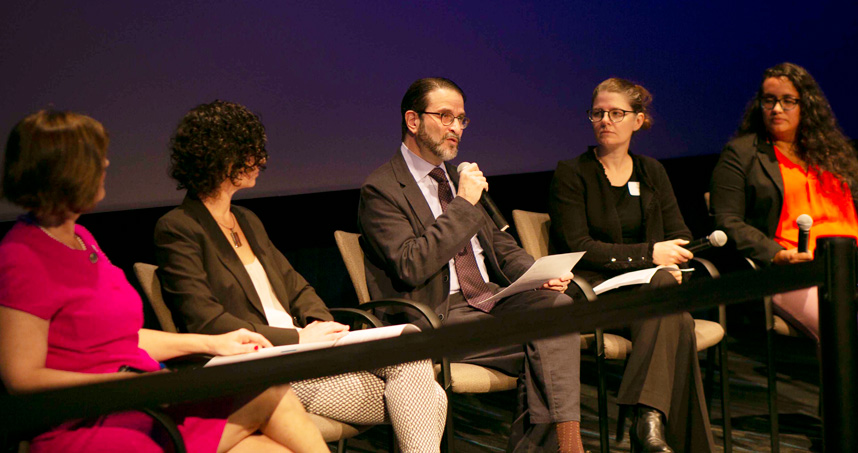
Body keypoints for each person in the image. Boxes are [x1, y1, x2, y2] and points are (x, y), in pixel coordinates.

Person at [0, 110, 329, 453]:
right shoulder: (23, 254)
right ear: (65, 171)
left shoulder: (82, 238)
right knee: (269, 392)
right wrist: (121, 384)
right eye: (97, 157)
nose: (107, 164)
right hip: (92, 419)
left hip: (146, 403)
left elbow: (125, 338)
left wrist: (212, 344)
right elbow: (21, 378)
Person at [154, 100, 447, 453]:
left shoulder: (246, 219)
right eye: (250, 152)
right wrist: (297, 337)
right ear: (221, 157)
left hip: (306, 352)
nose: (260, 161)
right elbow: (206, 321)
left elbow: (297, 286)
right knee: (431, 395)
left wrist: (323, 328)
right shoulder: (178, 228)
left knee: (409, 348)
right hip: (259, 368)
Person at [358, 77, 584, 453]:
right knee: (548, 352)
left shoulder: (456, 183)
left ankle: (566, 445)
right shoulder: (381, 189)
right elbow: (411, 265)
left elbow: (501, 246)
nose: (456, 129)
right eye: (445, 117)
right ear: (413, 121)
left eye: (461, 119)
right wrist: (463, 205)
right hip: (438, 315)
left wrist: (536, 276)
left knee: (557, 309)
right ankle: (569, 446)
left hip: (490, 301)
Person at [547, 78, 715, 453]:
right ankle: (651, 426)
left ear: (637, 120)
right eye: (598, 113)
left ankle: (648, 422)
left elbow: (679, 234)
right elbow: (579, 246)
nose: (605, 120)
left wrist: (673, 261)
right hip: (595, 293)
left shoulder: (652, 171)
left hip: (650, 296)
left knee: (672, 309)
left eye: (617, 113)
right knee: (676, 315)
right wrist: (650, 256)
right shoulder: (572, 173)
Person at [710, 62, 858, 342]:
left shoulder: (833, 153)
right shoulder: (741, 154)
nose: (777, 109)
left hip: (849, 262)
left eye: (788, 101)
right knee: (845, 331)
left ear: (807, 105)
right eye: (769, 100)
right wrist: (776, 254)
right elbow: (727, 221)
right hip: (794, 271)